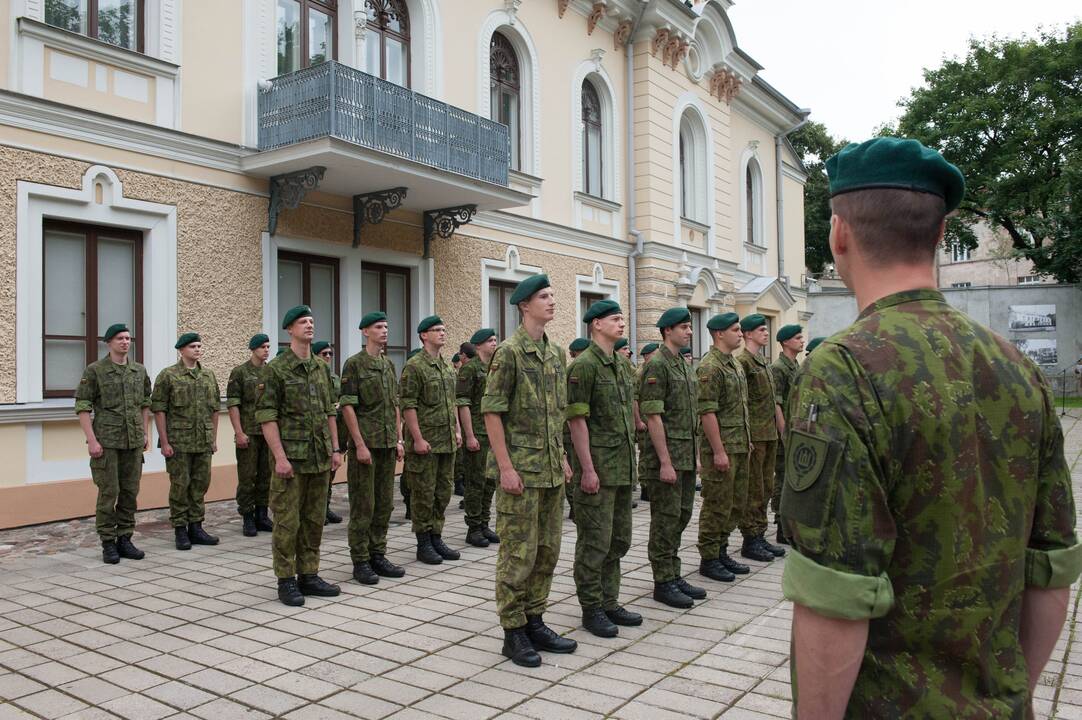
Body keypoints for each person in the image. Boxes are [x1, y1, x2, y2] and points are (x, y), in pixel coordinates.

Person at [781, 137, 1082, 717]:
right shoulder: (1016, 366)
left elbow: (834, 593)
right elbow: (1050, 567)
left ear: (838, 233)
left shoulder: (842, 367)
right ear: (941, 235)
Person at [483, 274, 577, 667]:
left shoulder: (555, 353)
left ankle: (535, 619)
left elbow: (556, 415)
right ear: (524, 305)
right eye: (544, 296)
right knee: (517, 554)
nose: (552, 301)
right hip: (520, 472)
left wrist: (564, 458)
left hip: (551, 470)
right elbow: (491, 412)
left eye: (553, 295)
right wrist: (505, 467)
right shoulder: (509, 353)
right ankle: (513, 631)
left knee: (547, 551)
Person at [256, 305, 342, 606]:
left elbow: (330, 411)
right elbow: (267, 416)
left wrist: (335, 448)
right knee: (287, 521)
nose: (309, 325)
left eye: (311, 320)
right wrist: (279, 457)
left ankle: (309, 574)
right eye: (302, 322)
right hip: (291, 459)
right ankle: (286, 579)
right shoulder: (276, 370)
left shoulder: (321, 368)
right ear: (289, 330)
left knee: (314, 519)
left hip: (319, 457)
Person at [567, 300, 642, 638]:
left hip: (622, 467)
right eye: (615, 319)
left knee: (619, 539)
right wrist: (587, 469)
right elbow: (577, 421)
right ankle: (591, 606)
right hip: (597, 468)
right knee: (594, 542)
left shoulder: (622, 366)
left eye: (622, 319)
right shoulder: (584, 367)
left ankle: (610, 600)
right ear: (596, 324)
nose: (621, 324)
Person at [638, 307, 706, 609]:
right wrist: (665, 461)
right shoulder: (658, 366)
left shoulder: (683, 364)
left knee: (682, 516)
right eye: (683, 327)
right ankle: (662, 580)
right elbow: (653, 416)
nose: (689, 331)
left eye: (689, 327)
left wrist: (695, 456)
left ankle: (674, 573)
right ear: (667, 331)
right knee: (665, 520)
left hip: (686, 456)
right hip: (668, 458)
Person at [75, 323, 152, 564]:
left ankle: (125, 538)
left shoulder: (138, 371)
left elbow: (145, 403)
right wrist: (91, 439)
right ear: (109, 342)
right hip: (106, 442)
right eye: (120, 338)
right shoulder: (95, 370)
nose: (125, 342)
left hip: (133, 442)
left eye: (128, 338)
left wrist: (145, 432)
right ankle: (108, 542)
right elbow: (83, 406)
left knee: (130, 492)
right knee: (109, 493)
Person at [339, 312, 406, 585]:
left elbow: (394, 405)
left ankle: (378, 553)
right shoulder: (354, 364)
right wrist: (358, 443)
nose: (384, 330)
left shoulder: (389, 365)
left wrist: (400, 439)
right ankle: (361, 560)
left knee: (384, 504)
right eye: (379, 327)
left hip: (388, 443)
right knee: (363, 505)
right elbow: (348, 406)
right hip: (366, 445)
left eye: (387, 326)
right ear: (365, 331)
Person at [695, 313, 752, 583]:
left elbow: (739, 408)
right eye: (736, 330)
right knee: (717, 503)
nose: (740, 334)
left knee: (736, 503)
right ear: (719, 334)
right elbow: (708, 413)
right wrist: (718, 450)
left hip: (739, 445)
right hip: (721, 448)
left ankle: (721, 550)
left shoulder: (734, 365)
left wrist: (747, 438)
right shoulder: (710, 367)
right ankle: (709, 557)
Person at [400, 315, 462, 565]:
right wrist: (416, 438)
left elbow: (452, 403)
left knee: (443, 491)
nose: (442, 333)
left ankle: (436, 536)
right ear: (424, 335)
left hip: (446, 440)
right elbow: (408, 405)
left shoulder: (446, 367)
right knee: (423, 493)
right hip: (425, 442)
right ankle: (423, 542)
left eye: (444, 329)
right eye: (437, 330)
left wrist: (457, 430)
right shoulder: (414, 366)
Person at [151, 333, 220, 551]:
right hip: (179, 442)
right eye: (192, 346)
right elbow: (159, 410)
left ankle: (196, 527)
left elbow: (215, 410)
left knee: (200, 484)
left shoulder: (208, 376)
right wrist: (164, 441)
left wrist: (213, 438)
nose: (197, 349)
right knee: (180, 486)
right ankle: (180, 529)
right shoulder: (168, 376)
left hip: (202, 440)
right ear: (181, 350)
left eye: (199, 345)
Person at [735, 315, 786, 562]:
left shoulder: (763, 362)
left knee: (765, 486)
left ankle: (760, 534)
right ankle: (751, 538)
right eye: (761, 330)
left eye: (766, 330)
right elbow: (742, 402)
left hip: (768, 433)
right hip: (754, 434)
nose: (766, 334)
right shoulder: (743, 362)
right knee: (754, 488)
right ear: (747, 334)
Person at [226, 333, 274, 537]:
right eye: (262, 347)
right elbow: (233, 404)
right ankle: (247, 516)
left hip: (268, 432)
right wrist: (238, 432)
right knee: (247, 476)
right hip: (249, 432)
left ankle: (262, 515)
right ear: (253, 349)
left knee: (266, 475)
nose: (266, 350)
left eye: (268, 347)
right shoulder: (240, 372)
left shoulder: (272, 372)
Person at [458, 328, 500, 548]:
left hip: (493, 433)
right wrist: (469, 435)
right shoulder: (469, 369)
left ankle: (484, 523)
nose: (494, 343)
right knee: (476, 482)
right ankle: (473, 527)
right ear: (478, 345)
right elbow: (463, 403)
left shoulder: (494, 368)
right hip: (477, 432)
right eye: (490, 341)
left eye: (495, 340)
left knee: (490, 481)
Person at [768, 324, 803, 545]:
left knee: (793, 479)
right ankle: (781, 525)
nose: (802, 340)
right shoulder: (779, 368)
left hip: (795, 431)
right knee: (782, 479)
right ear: (786, 342)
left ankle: (790, 522)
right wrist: (784, 433)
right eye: (798, 337)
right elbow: (776, 403)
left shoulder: (794, 366)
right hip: (785, 434)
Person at [313, 341, 344, 525]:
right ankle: (317, 510)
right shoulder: (314, 376)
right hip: (317, 430)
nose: (327, 357)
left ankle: (325, 506)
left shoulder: (334, 378)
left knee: (330, 473)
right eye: (324, 354)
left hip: (334, 428)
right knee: (319, 475)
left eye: (330, 354)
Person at [563, 337, 591, 520]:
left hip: (579, 428)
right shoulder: (573, 372)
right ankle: (574, 504)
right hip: (568, 429)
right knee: (572, 469)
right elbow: (567, 404)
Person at [635, 343, 659, 504]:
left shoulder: (653, 370)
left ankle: (651, 485)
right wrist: (638, 421)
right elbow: (634, 399)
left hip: (652, 419)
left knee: (653, 453)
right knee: (646, 455)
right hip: (644, 420)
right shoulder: (640, 373)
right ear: (647, 355)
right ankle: (645, 486)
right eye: (656, 353)